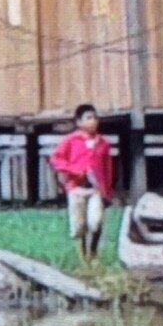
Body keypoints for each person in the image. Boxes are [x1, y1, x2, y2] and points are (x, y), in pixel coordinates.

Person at [49, 104, 114, 264]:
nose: (93, 121)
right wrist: (73, 170)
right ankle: (83, 256)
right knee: (79, 225)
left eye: (95, 118)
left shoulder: (103, 143)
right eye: (89, 118)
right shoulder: (71, 141)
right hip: (76, 188)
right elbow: (56, 159)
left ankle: (93, 250)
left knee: (96, 221)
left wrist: (107, 192)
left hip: (95, 189)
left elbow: (108, 169)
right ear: (79, 122)